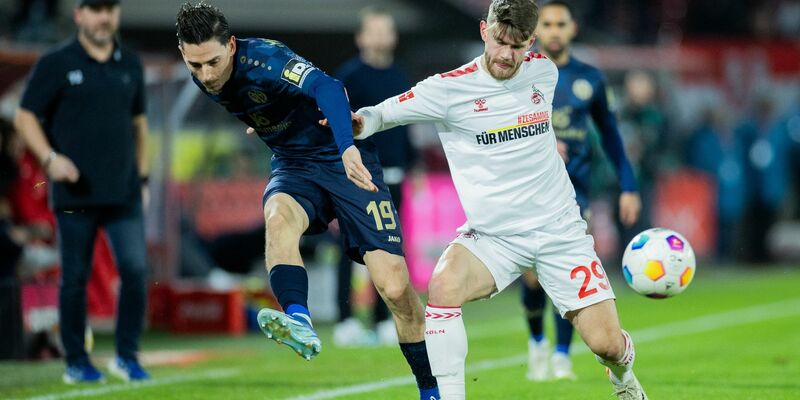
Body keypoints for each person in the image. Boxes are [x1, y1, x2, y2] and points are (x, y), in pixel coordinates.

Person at [344, 0, 648, 398]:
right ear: (484, 31)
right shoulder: (448, 89)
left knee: (606, 345)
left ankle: (623, 376)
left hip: (560, 233)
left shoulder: (544, 72)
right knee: (443, 286)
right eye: (500, 41)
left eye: (518, 45)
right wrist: (351, 123)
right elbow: (380, 115)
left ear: (532, 42)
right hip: (494, 238)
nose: (507, 54)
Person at [174, 3, 439, 399]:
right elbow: (257, 102)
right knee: (278, 218)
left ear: (231, 45)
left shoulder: (267, 58)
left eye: (213, 62)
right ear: (183, 53)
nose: (207, 75)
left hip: (345, 158)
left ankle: (431, 389)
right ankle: (299, 318)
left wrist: (348, 147)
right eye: (196, 66)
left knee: (396, 288)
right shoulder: (204, 74)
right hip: (294, 165)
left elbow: (329, 88)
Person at [14, 0, 150, 384]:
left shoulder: (131, 64)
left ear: (117, 13)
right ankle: (76, 361)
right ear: (78, 15)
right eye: (94, 8)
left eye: (109, 8)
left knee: (136, 271)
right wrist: (49, 158)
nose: (103, 16)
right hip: (75, 196)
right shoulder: (56, 63)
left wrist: (143, 180)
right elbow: (25, 117)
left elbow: (140, 126)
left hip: (124, 193)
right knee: (75, 277)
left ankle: (127, 357)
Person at [519, 0, 641, 382]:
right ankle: (537, 341)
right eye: (548, 24)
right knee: (533, 277)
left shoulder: (590, 77)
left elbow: (611, 135)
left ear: (572, 29)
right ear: (538, 32)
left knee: (570, 271)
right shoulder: (520, 74)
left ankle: (560, 354)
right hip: (529, 188)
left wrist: (629, 185)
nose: (555, 30)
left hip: (575, 191)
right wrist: (539, 144)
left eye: (561, 24)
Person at [332, 6, 415, 347]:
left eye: (386, 30)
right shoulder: (349, 76)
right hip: (361, 175)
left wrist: (414, 165)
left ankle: (383, 319)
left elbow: (406, 125)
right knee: (351, 247)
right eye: (374, 30)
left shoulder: (400, 75)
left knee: (391, 248)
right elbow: (337, 124)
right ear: (361, 37)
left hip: (396, 173)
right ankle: (346, 319)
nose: (381, 36)